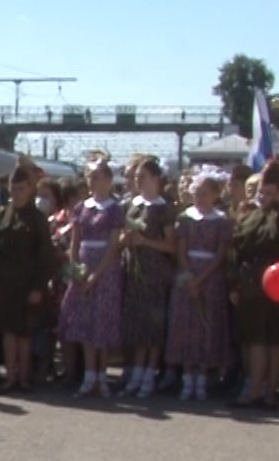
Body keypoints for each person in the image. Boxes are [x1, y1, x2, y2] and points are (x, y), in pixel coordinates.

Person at [230, 160, 279, 408]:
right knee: (254, 340)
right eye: (262, 191)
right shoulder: (249, 214)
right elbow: (237, 248)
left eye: (270, 192)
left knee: (275, 341)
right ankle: (254, 388)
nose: (264, 196)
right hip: (251, 283)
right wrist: (235, 284)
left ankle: (270, 392)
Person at [57, 159, 127, 398]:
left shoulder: (115, 209)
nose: (92, 180)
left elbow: (113, 245)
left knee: (103, 322)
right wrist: (76, 269)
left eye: (96, 176)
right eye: (89, 176)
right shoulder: (81, 207)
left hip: (106, 269)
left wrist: (97, 275)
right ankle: (88, 375)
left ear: (108, 180)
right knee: (85, 321)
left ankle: (102, 375)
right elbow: (75, 240)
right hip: (85, 262)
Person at [0, 165, 58, 392]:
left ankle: (24, 377)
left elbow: (45, 255)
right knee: (8, 331)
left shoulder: (37, 218)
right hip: (5, 283)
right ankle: (10, 377)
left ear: (30, 190)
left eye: (21, 188)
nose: (17, 192)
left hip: (28, 283)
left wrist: (38, 286)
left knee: (25, 333)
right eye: (13, 188)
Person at [166, 170, 233, 402]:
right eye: (197, 193)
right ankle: (187, 378)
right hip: (187, 274)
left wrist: (202, 278)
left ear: (215, 195)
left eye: (205, 194)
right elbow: (181, 249)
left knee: (206, 326)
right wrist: (189, 275)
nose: (200, 198)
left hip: (210, 277)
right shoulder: (185, 218)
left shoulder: (222, 220)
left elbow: (220, 254)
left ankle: (202, 378)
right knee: (186, 326)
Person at [118, 158, 174, 398]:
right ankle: (137, 373)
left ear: (155, 179)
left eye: (143, 177)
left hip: (154, 272)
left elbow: (171, 246)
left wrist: (145, 242)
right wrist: (125, 240)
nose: (138, 181)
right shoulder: (132, 204)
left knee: (153, 327)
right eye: (136, 177)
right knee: (137, 326)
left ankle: (149, 374)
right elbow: (122, 234)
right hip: (133, 270)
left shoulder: (163, 208)